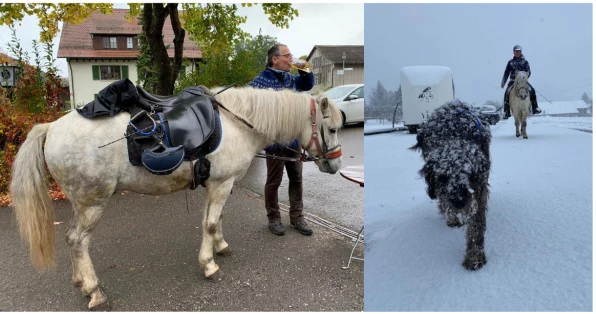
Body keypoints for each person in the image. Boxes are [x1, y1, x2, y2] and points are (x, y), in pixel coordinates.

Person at [249, 43, 315, 236]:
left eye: (291, 56)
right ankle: (274, 219)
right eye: (287, 56)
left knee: (296, 179)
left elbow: (308, 84)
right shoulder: (259, 83)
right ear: (274, 59)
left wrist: (304, 66)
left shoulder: (291, 79)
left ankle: (297, 218)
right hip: (274, 143)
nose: (291, 59)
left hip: (293, 141)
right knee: (274, 181)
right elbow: (248, 108)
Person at [501, 44, 542, 119]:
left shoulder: (525, 62)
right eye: (516, 51)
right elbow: (506, 72)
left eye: (519, 51)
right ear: (513, 52)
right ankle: (506, 112)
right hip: (513, 81)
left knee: (532, 90)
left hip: (523, 82)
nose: (517, 53)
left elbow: (529, 71)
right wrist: (503, 82)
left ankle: (535, 108)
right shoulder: (510, 62)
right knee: (507, 93)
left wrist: (525, 77)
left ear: (521, 52)